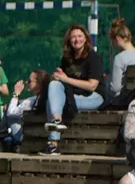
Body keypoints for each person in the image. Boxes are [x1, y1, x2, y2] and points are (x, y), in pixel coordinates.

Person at [42, 25, 105, 156]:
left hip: (93, 96)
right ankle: (57, 121)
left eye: (80, 36)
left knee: (53, 102)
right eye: (73, 37)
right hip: (72, 94)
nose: (76, 39)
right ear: (69, 41)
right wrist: (58, 77)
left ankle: (53, 142)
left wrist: (66, 79)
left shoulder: (93, 58)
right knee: (54, 85)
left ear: (86, 38)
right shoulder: (67, 58)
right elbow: (62, 80)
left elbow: (92, 86)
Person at [4, 70, 50, 152]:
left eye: (29, 81)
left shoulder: (30, 102)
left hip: (28, 137)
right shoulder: (45, 99)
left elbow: (10, 113)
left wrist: (16, 94)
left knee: (9, 115)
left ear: (38, 83)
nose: (26, 82)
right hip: (44, 135)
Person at [107, 18, 135, 99]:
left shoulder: (119, 58)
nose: (113, 45)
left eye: (112, 41)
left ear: (117, 39)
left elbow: (115, 89)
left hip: (124, 101)